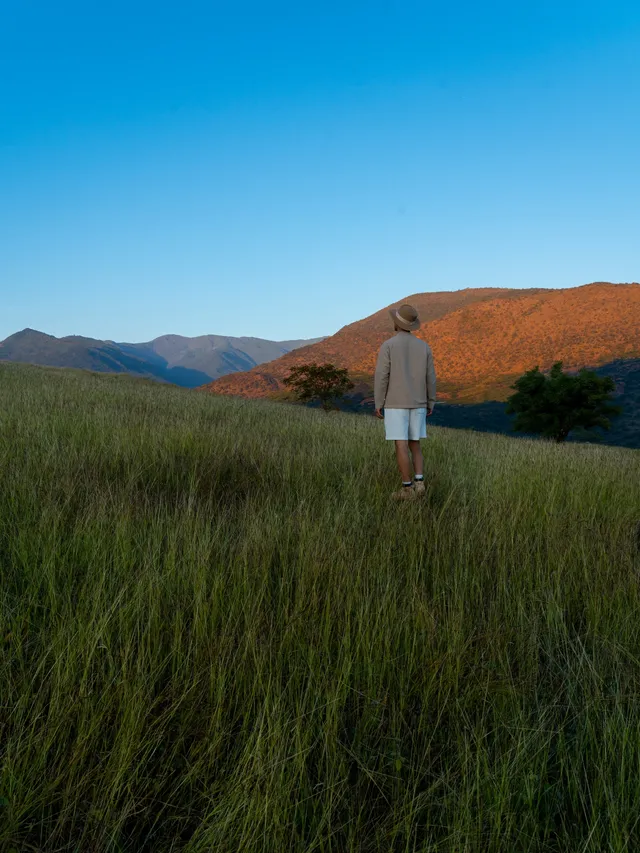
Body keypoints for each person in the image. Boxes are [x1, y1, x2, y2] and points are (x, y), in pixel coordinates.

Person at [374, 303, 436, 500]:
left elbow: (382, 376)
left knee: (400, 445)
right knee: (415, 444)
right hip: (418, 402)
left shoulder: (388, 346)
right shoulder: (424, 347)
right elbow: (431, 377)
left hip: (395, 403)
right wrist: (430, 401)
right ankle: (420, 484)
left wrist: (379, 402)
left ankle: (406, 489)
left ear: (396, 323)